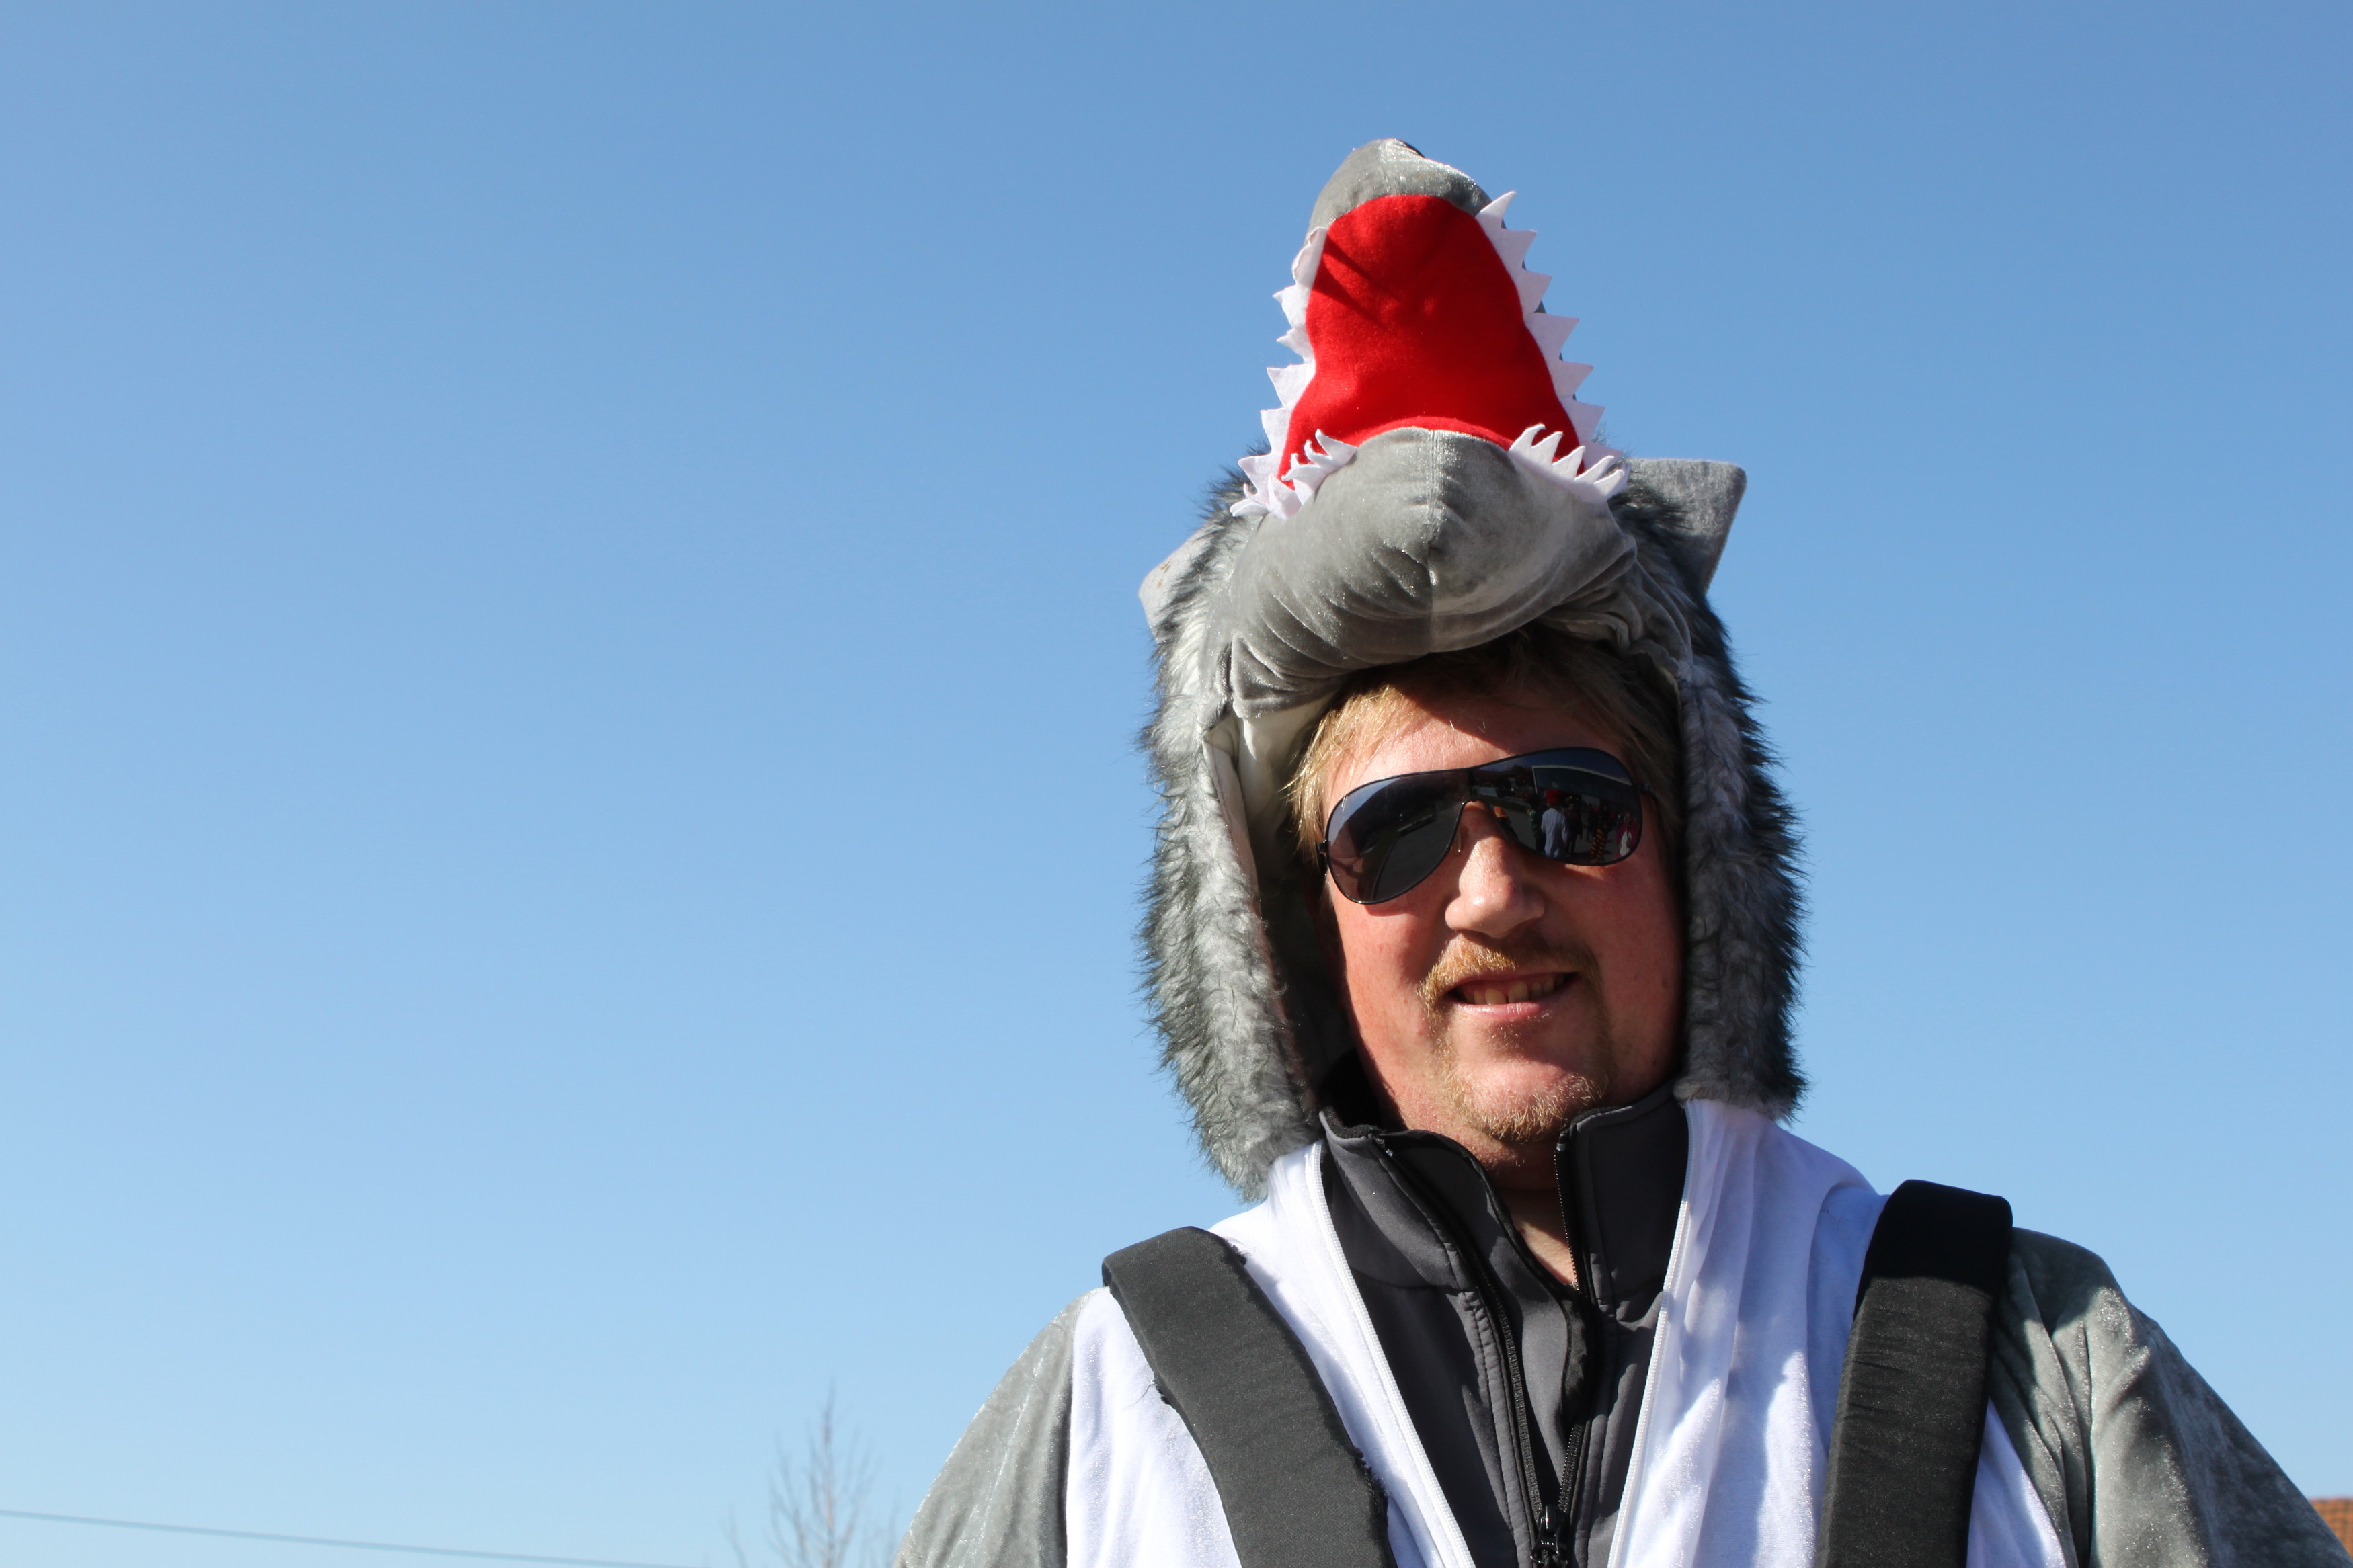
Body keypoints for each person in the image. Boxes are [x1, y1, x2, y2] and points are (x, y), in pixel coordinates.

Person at [895, 141, 2346, 1568]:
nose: (1489, 892)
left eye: (1567, 808)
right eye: (1394, 833)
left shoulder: (2040, 1368)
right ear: (1299, 924)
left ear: (1698, 861)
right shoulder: (1103, 1422)